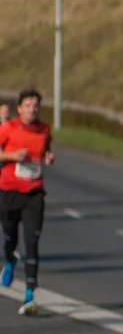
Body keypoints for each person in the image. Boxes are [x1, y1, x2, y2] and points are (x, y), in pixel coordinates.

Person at [0, 88, 55, 315]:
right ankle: (10, 260)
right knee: (10, 238)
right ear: (20, 108)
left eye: (36, 105)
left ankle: (30, 294)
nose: (33, 109)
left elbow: (46, 148)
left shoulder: (44, 129)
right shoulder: (8, 128)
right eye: (28, 105)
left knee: (32, 242)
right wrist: (12, 156)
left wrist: (48, 156)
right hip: (9, 191)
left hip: (33, 193)